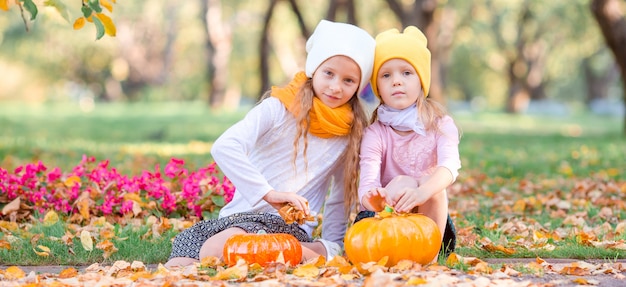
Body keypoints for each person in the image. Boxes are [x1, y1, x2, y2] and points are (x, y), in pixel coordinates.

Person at [164, 19, 375, 268]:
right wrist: (268, 194)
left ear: (359, 87)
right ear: (314, 69)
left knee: (215, 251)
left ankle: (314, 250)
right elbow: (225, 147)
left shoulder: (348, 135)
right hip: (236, 220)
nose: (335, 86)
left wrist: (334, 241)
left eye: (349, 80)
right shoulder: (277, 108)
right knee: (180, 262)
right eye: (328, 73)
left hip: (286, 228)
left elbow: (339, 199)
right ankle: (308, 254)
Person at [356, 26, 461, 258]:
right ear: (378, 88)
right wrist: (374, 198)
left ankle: (429, 257)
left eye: (406, 73)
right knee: (402, 181)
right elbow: (367, 184)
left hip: (427, 223)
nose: (396, 81)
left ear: (421, 80)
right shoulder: (375, 133)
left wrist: (423, 191)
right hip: (382, 222)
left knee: (432, 184)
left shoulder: (440, 124)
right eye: (386, 75)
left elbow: (449, 168)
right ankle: (392, 255)